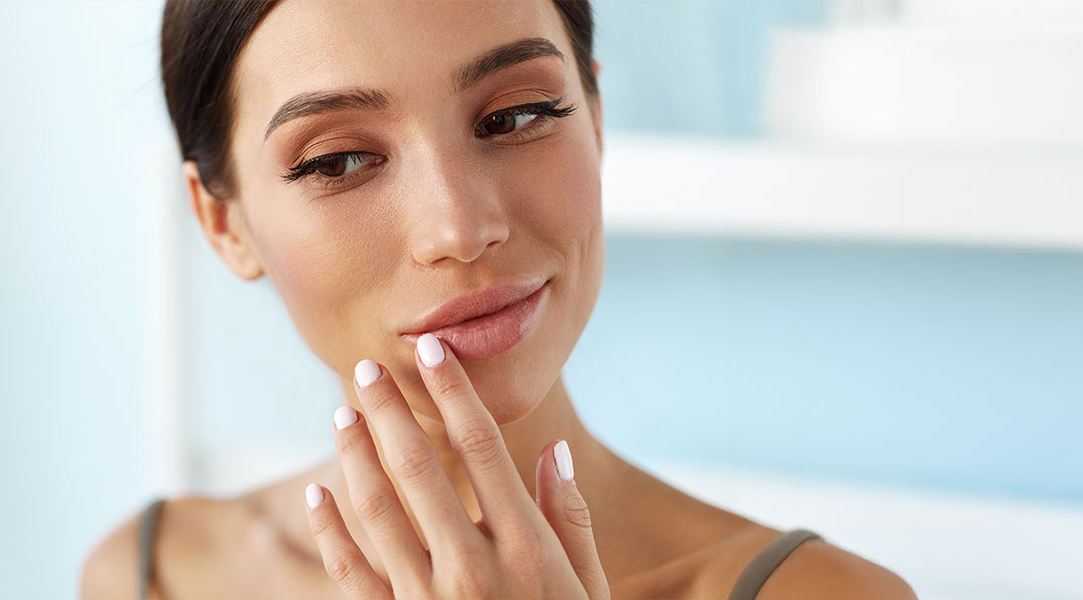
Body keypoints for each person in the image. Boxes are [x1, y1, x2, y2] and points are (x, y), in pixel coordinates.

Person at [82, 0, 916, 597]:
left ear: (594, 111)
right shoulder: (153, 575)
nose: (458, 227)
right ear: (222, 222)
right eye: (337, 161)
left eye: (516, 115)